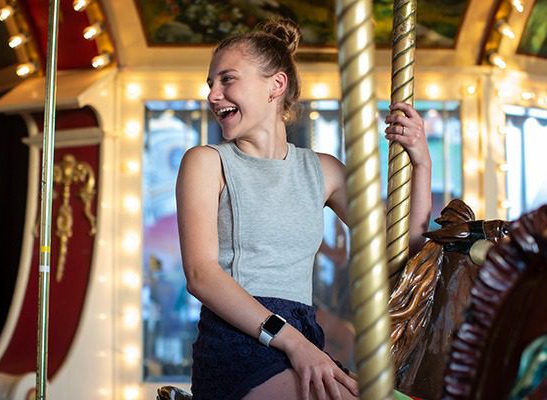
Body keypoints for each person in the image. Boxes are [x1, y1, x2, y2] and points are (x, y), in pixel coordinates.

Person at [175, 18, 432, 400]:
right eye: (211, 84)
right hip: (240, 341)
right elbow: (201, 275)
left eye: (227, 80)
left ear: (275, 86)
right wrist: (293, 343)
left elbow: (403, 245)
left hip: (305, 334)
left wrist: (421, 162)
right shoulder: (207, 162)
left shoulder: (323, 171)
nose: (213, 94)